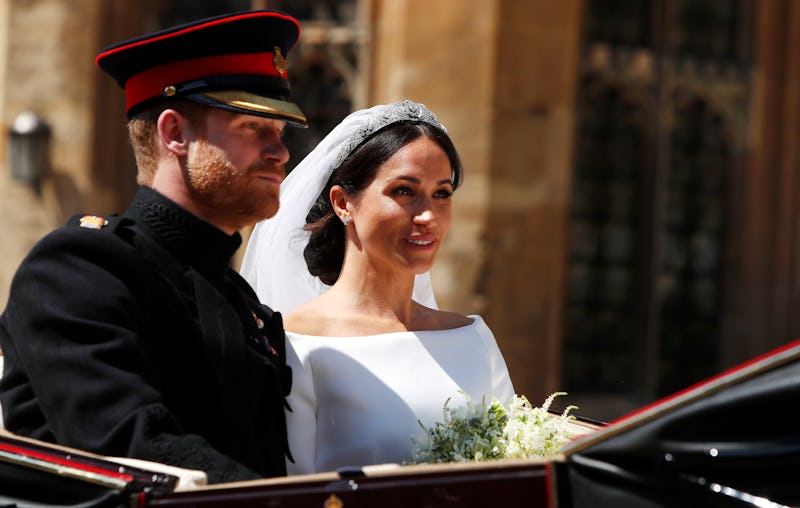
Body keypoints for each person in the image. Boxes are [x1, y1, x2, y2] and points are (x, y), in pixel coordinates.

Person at [0, 11, 307, 484]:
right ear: (174, 134)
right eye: (253, 127)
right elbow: (131, 448)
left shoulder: (236, 294)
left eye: (281, 133)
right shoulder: (77, 270)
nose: (281, 151)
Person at [240, 100, 515, 474]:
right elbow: (289, 492)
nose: (427, 216)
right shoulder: (293, 343)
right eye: (404, 191)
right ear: (342, 203)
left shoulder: (474, 339)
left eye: (442, 193)